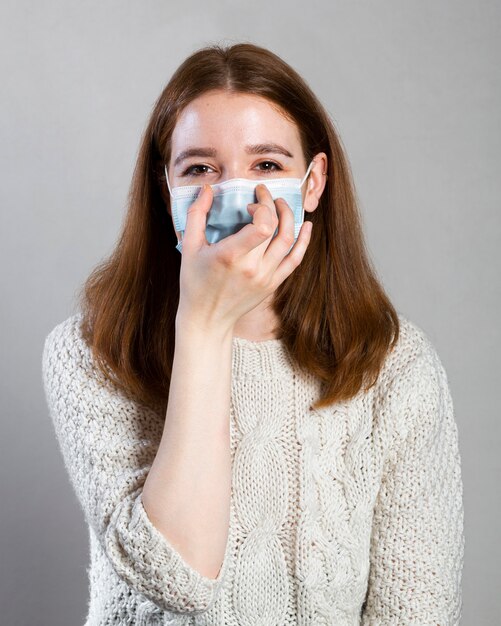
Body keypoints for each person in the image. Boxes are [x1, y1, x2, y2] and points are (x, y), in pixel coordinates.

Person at [42, 42, 464, 625]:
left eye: (267, 165)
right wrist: (205, 324)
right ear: (167, 188)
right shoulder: (90, 354)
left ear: (312, 183)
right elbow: (176, 576)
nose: (236, 195)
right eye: (199, 169)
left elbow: (417, 612)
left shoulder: (395, 368)